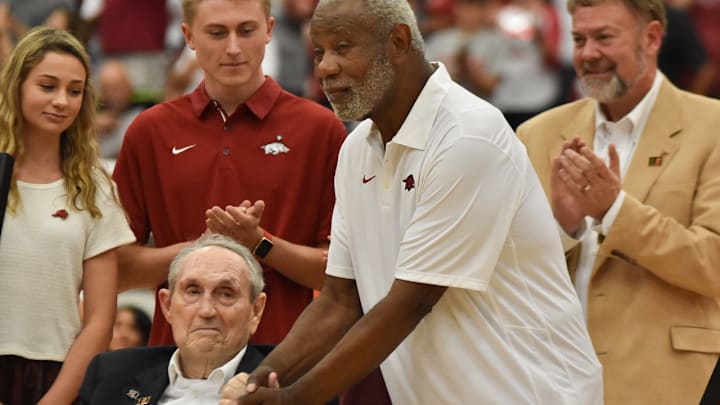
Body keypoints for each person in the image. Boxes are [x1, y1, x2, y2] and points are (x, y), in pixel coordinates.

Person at [220, 1, 603, 404]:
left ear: (398, 42)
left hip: (535, 394)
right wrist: (261, 378)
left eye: (343, 47)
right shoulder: (356, 151)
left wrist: (295, 399)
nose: (326, 68)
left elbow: (413, 302)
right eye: (319, 52)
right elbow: (340, 300)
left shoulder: (467, 136)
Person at [516, 0, 720, 403]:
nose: (588, 53)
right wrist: (564, 228)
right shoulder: (537, 133)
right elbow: (509, 269)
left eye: (605, 37)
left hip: (673, 381)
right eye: (579, 39)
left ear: (652, 37)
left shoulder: (712, 127)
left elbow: (713, 262)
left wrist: (615, 212)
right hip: (550, 380)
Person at [112, 0, 345, 348]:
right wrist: (205, 250)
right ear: (189, 36)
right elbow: (116, 270)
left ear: (268, 30)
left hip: (285, 365)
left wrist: (260, 244)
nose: (233, 48)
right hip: (175, 363)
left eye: (246, 31)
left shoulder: (321, 129)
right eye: (217, 33)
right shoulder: (149, 131)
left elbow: (342, 274)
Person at [0, 27, 135, 405]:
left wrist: (55, 400)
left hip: (58, 376)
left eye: (74, 91)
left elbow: (99, 321)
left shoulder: (95, 187)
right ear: (16, 86)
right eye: (47, 86)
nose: (62, 101)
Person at [77, 234, 271, 405]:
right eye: (193, 292)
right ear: (167, 306)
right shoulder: (113, 375)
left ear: (256, 310)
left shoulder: (283, 385)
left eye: (226, 294)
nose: (206, 311)